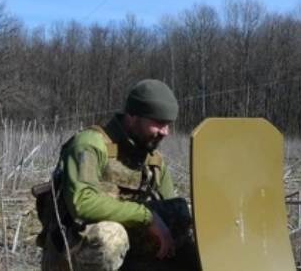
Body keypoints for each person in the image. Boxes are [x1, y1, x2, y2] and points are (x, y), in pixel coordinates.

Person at [35, 79, 198, 271]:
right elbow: (82, 202)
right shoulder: (90, 144)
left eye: (168, 124)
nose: (165, 132)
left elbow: (170, 213)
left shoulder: (153, 160)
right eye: (159, 123)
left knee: (179, 217)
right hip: (72, 252)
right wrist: (147, 216)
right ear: (132, 116)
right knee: (110, 236)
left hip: (129, 255)